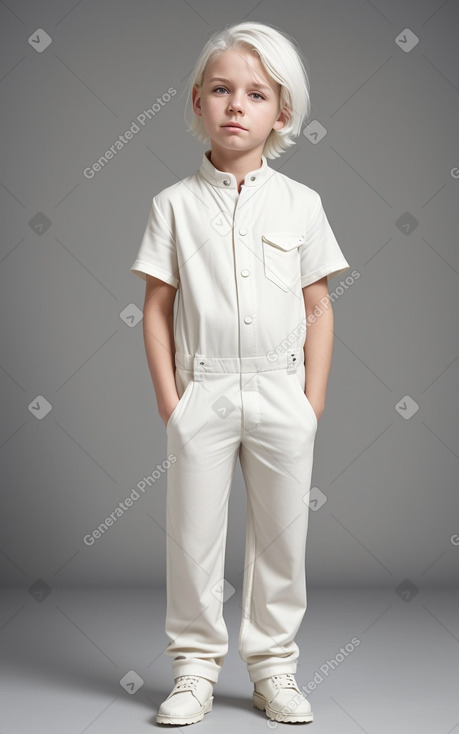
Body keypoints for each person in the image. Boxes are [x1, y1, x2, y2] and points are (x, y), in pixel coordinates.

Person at [130, 20, 350, 726]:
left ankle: (273, 671)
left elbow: (319, 306)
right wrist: (174, 401)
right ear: (197, 100)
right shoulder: (172, 204)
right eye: (221, 89)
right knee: (192, 539)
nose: (235, 105)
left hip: (282, 390)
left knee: (282, 541)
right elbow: (155, 310)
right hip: (205, 390)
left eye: (255, 94)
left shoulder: (301, 204)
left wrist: (309, 402)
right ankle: (193, 670)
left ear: (281, 113)